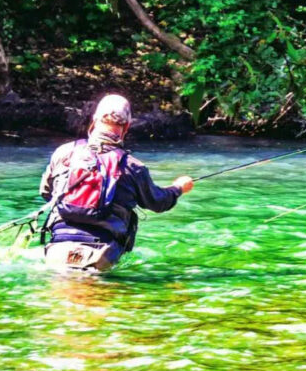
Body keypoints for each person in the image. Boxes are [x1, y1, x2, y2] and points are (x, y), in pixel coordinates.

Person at [39, 94, 193, 272]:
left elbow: (46, 193)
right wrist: (178, 188)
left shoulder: (64, 153)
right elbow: (158, 202)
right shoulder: (132, 166)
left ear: (95, 120)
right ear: (126, 126)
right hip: (103, 253)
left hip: (57, 248)